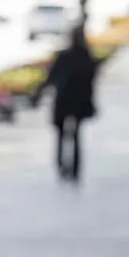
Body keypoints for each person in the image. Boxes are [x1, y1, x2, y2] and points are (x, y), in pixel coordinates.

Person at [37, 26, 97, 181]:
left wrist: (40, 91)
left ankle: (61, 166)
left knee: (61, 135)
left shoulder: (64, 56)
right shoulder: (86, 57)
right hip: (80, 102)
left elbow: (51, 77)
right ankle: (75, 169)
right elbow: (91, 81)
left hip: (63, 100)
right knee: (76, 136)